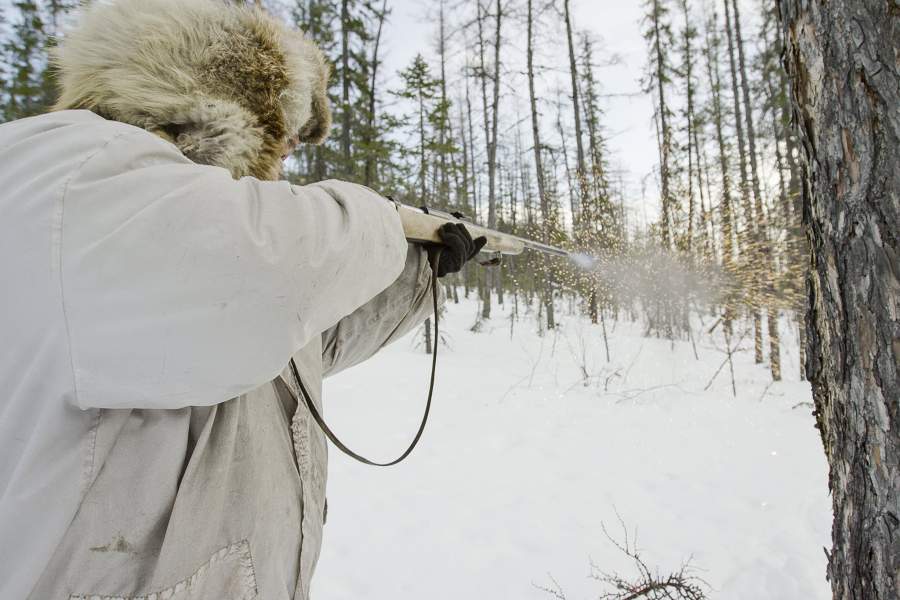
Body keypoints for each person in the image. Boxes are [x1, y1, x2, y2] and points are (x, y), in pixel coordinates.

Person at [0, 1, 484, 598]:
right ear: (224, 103)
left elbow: (310, 340)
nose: (289, 157)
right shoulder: (69, 166)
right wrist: (382, 223)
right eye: (283, 135)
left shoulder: (224, 266)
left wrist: (421, 273)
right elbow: (257, 263)